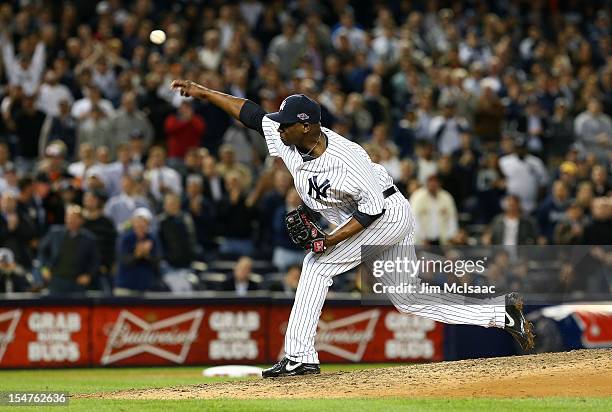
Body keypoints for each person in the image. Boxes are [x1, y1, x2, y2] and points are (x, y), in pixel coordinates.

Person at [170, 79, 534, 378]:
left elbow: (371, 212)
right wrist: (205, 92)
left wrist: (328, 240)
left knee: (316, 265)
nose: (278, 126)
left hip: (385, 214)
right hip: (373, 214)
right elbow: (250, 113)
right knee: (406, 298)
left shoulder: (348, 159)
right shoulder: (290, 138)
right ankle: (500, 313)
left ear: (308, 125)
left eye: (287, 122)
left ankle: (299, 356)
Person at [37, 205, 99, 295]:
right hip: (56, 280)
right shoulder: (55, 233)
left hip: (77, 282)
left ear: (81, 220)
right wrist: (44, 269)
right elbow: (42, 252)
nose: (71, 220)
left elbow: (95, 260)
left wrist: (88, 275)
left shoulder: (89, 238)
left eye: (74, 218)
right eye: (68, 217)